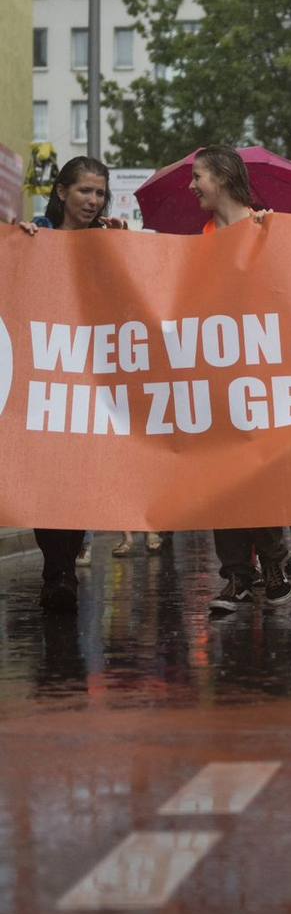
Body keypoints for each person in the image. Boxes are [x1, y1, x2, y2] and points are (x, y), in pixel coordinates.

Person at [18, 156, 126, 614]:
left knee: (78, 476)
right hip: (42, 375)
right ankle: (56, 569)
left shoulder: (109, 241)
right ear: (61, 192)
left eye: (100, 193)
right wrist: (16, 244)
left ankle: (61, 572)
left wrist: (126, 252)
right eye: (85, 191)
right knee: (48, 478)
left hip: (90, 379)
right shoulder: (32, 234)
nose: (94, 200)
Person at [188, 145, 291, 615]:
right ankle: (236, 575)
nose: (193, 186)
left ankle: (273, 562)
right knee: (222, 475)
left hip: (265, 371)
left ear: (224, 179)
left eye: (198, 177)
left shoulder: (268, 226)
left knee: (262, 468)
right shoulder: (203, 237)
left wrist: (266, 239)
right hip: (218, 373)